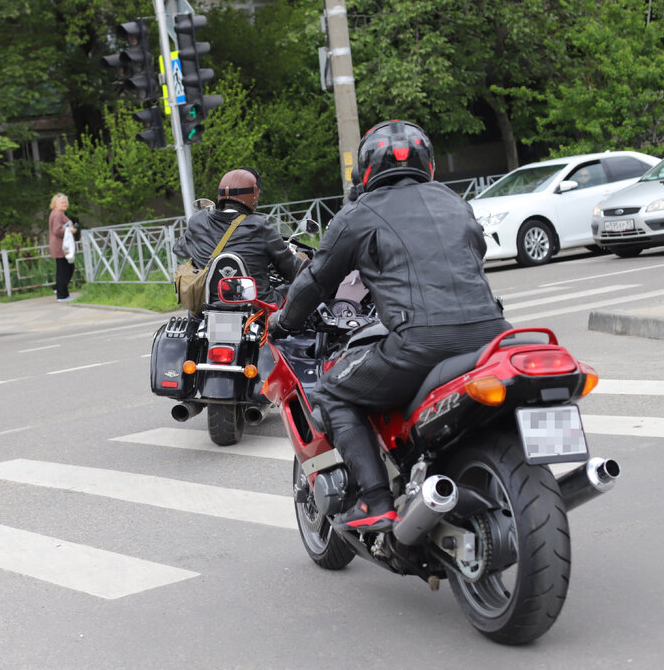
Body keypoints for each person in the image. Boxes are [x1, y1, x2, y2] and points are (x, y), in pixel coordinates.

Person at [267, 121, 511, 533]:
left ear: (365, 172)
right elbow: (474, 255)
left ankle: (376, 501)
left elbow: (315, 280)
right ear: (429, 165)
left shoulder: (358, 214)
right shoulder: (455, 202)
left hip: (419, 343)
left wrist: (282, 321)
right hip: (494, 338)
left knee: (331, 390)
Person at [173, 167, 301, 304]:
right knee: (293, 290)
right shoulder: (260, 226)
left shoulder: (198, 220)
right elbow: (291, 270)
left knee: (194, 315)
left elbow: (179, 250)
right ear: (253, 195)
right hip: (257, 306)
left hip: (207, 304)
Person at [48, 193, 77, 301]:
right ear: (55, 203)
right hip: (61, 246)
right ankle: (62, 294)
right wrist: (69, 230)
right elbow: (57, 230)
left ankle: (59, 288)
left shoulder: (59, 213)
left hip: (62, 245)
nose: (65, 204)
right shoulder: (57, 214)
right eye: (62, 202)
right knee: (64, 269)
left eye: (66, 202)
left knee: (67, 268)